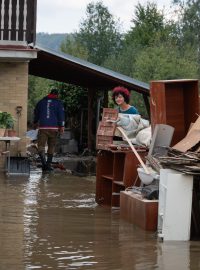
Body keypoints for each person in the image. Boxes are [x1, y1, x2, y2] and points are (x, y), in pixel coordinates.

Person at [33, 88, 65, 172]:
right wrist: (62, 126)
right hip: (54, 128)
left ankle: (44, 165)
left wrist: (35, 122)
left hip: (43, 127)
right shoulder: (59, 103)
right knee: (51, 146)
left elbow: (36, 113)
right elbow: (61, 115)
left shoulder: (40, 102)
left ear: (49, 93)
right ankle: (48, 165)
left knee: (41, 146)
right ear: (57, 95)